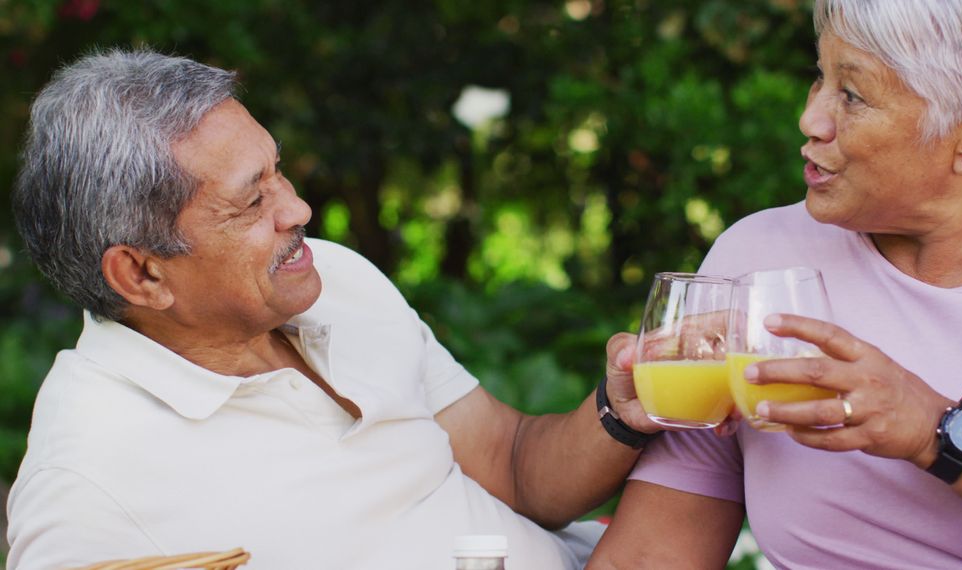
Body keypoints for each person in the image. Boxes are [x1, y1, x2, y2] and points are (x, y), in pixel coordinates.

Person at [5, 49, 660, 569]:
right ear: (142, 274)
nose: (297, 211)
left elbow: (514, 465)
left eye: (277, 172)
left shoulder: (334, 279)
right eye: (251, 202)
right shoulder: (88, 485)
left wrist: (620, 409)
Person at [590, 0, 962, 568]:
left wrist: (931, 431)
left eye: (852, 95)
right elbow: (653, 554)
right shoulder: (761, 260)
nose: (811, 120)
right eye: (820, 77)